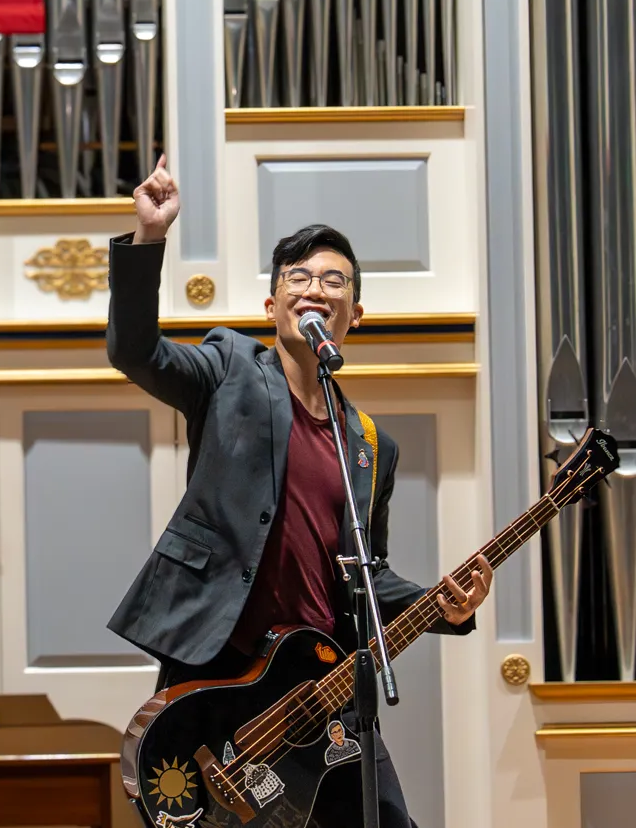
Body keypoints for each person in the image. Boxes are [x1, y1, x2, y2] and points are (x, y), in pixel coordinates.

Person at [105, 157, 494, 828]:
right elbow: (136, 351)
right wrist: (149, 241)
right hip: (223, 672)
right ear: (272, 304)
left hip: (317, 681)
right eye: (299, 275)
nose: (315, 286)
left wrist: (443, 606)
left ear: (356, 314)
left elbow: (365, 576)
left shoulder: (369, 443)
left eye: (333, 278)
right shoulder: (229, 368)